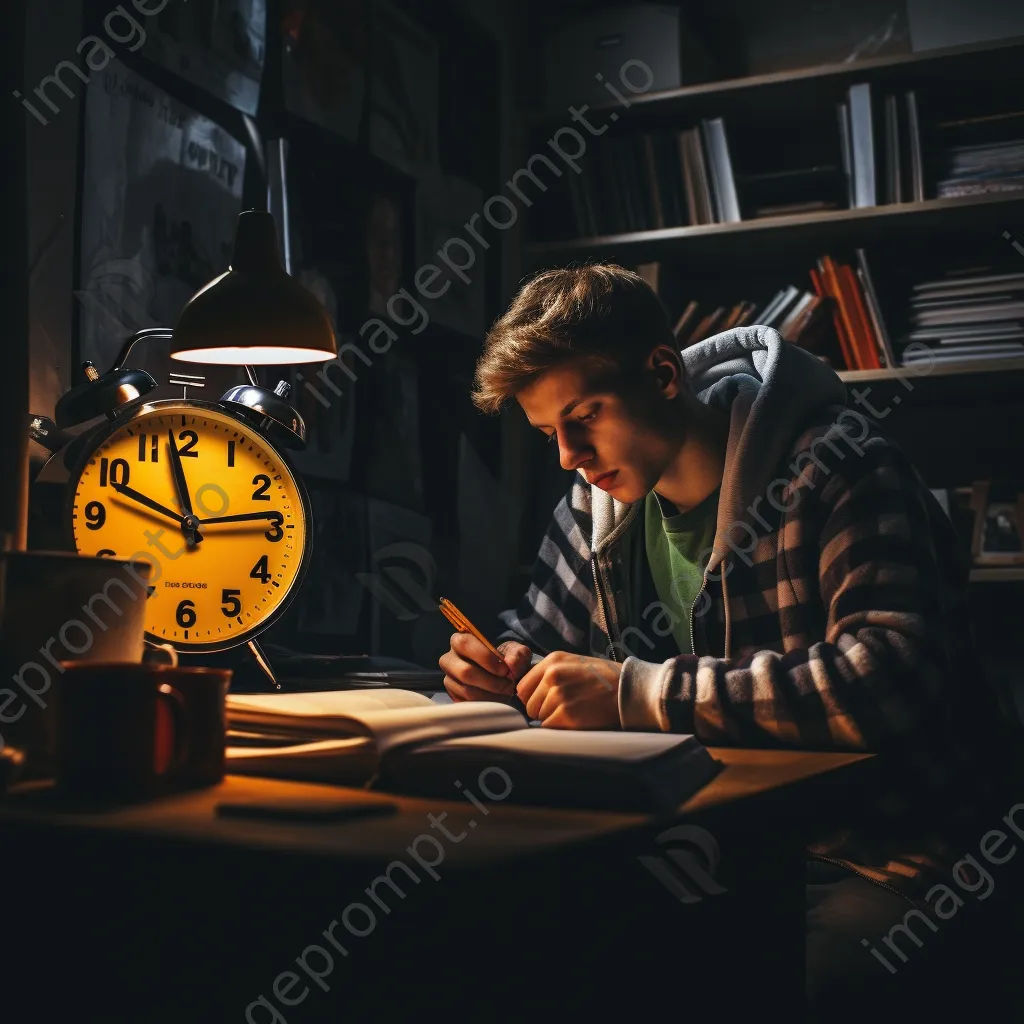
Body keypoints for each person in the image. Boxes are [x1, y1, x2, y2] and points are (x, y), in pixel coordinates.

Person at [438, 264, 1024, 1019]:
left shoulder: (837, 468)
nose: (568, 457)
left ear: (662, 373)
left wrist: (634, 693)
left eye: (584, 414)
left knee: (813, 992)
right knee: (529, 958)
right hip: (720, 845)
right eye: (548, 432)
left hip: (894, 852)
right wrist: (495, 667)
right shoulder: (595, 505)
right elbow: (534, 639)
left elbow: (888, 675)